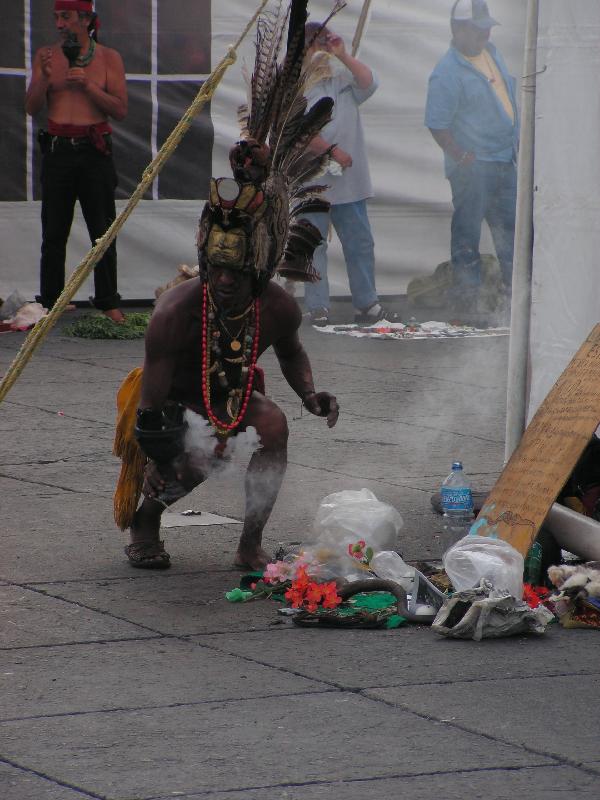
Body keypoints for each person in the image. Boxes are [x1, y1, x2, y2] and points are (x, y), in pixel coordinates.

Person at [113, 1, 340, 572]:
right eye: (214, 272)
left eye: (235, 276)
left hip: (235, 395)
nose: (223, 284)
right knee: (198, 452)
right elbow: (153, 409)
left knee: (274, 425)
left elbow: (291, 352)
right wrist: (165, 447)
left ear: (259, 271)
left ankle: (248, 542)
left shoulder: (277, 306)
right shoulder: (176, 312)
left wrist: (311, 395)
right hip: (177, 406)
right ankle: (146, 520)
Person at [25, 0, 127, 323]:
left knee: (103, 230)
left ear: (85, 19)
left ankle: (108, 300)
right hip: (57, 149)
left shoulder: (110, 57)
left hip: (94, 149)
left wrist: (88, 86)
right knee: (53, 230)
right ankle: (51, 301)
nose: (59, 24)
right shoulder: (47, 55)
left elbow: (120, 109)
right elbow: (30, 107)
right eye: (56, 18)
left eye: (65, 17)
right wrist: (42, 77)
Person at [425, 0, 519, 313]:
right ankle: (469, 306)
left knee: (512, 234)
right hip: (474, 167)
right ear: (458, 30)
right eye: (479, 29)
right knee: (467, 236)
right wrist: (461, 155)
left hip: (505, 160)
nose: (485, 34)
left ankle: (513, 300)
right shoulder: (446, 72)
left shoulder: (491, 53)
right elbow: (437, 123)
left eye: (488, 27)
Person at [301, 22, 393, 327]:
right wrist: (330, 151)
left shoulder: (343, 76)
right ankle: (318, 306)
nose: (322, 51)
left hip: (349, 182)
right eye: (317, 44)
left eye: (326, 43)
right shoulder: (294, 84)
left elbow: (370, 83)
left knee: (359, 243)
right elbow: (297, 132)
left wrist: (343, 54)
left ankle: (367, 303)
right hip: (311, 181)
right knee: (313, 244)